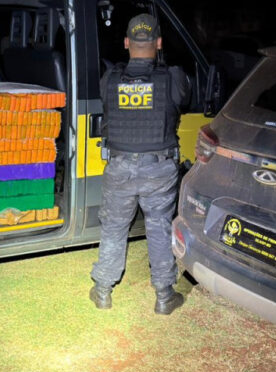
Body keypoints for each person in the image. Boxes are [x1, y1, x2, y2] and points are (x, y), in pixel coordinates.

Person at [90, 13, 190, 315]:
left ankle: (103, 291)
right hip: (159, 168)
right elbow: (182, 101)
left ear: (126, 43)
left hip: (119, 166)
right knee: (159, 227)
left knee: (114, 228)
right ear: (158, 43)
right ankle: (163, 296)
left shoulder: (110, 79)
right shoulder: (172, 77)